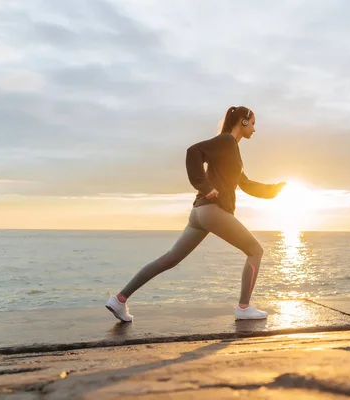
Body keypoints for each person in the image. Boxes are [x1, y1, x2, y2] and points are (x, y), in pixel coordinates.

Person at [105, 106, 286, 322]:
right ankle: (244, 307)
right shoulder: (226, 141)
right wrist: (205, 186)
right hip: (212, 210)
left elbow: (245, 184)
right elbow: (193, 152)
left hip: (199, 213)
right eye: (253, 123)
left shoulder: (231, 150)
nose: (255, 129)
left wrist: (274, 190)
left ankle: (119, 299)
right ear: (244, 121)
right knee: (255, 250)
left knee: (170, 258)